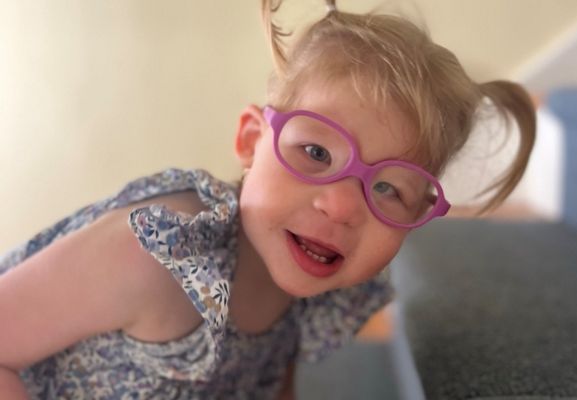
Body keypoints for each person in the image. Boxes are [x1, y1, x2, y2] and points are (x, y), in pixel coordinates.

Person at [0, 0, 535, 398]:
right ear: (252, 142)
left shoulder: (309, 281)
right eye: (317, 153)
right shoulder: (156, 257)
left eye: (389, 189)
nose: (344, 207)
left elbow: (265, 380)